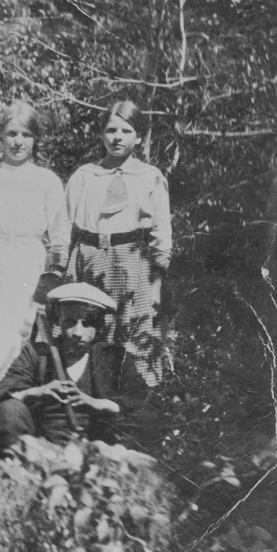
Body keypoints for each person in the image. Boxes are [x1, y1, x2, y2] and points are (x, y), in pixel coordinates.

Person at [0, 101, 70, 384]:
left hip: (29, 265)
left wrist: (52, 276)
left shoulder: (47, 181)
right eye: (11, 134)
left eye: (26, 135)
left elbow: (59, 235)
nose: (18, 142)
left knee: (22, 329)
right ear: (0, 136)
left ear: (36, 139)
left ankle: (15, 392)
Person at [62, 100, 171, 387]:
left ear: (138, 136)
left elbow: (161, 235)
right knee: (90, 331)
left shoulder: (151, 177)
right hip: (88, 257)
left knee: (135, 332)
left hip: (132, 260)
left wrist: (156, 284)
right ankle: (89, 398)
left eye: (126, 130)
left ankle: (137, 405)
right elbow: (64, 226)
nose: (117, 137)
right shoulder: (85, 176)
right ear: (102, 134)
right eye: (111, 130)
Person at [0, 283, 157, 455]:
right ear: (58, 321)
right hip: (38, 450)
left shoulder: (114, 357)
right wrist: (36, 392)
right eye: (70, 322)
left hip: (96, 451)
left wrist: (99, 404)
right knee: (9, 410)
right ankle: (15, 472)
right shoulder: (37, 354)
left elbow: (146, 403)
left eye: (87, 323)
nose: (77, 332)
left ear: (99, 326)